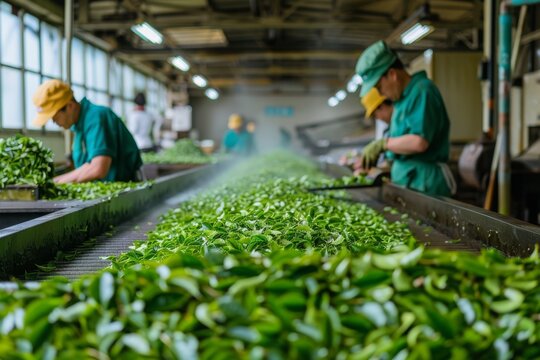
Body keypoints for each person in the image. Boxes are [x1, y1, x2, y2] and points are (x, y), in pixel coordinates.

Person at [355, 40, 455, 196]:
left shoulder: (422, 90)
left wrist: (383, 144)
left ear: (392, 75)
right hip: (409, 182)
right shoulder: (400, 102)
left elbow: (419, 142)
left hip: (425, 184)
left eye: (379, 87)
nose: (380, 94)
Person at [32, 79, 142, 183]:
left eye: (54, 116)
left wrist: (55, 182)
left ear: (70, 106)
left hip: (123, 192)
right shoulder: (79, 126)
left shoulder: (96, 118)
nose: (54, 121)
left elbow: (98, 168)